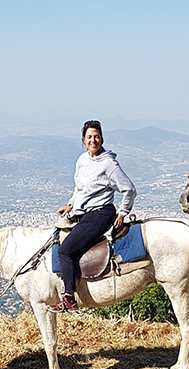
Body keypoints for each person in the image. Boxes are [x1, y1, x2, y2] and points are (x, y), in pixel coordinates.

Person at [51, 120, 137, 313]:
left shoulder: (108, 164)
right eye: (89, 137)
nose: (93, 140)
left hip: (100, 214)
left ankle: (69, 299)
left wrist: (123, 212)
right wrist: (71, 204)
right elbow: (79, 188)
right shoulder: (82, 160)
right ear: (83, 140)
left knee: (65, 251)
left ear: (102, 138)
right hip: (83, 213)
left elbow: (129, 189)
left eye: (96, 136)